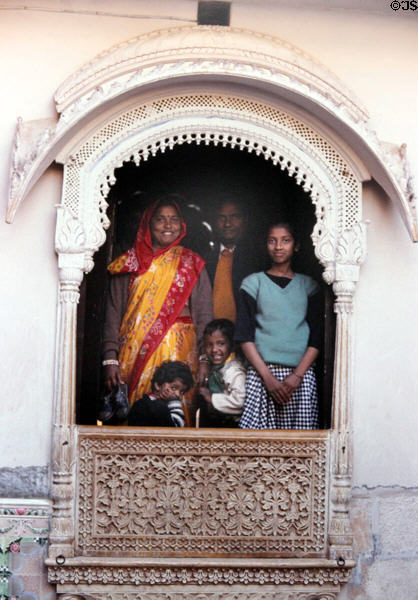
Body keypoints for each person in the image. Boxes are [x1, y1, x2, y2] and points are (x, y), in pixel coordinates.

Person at [102, 196, 213, 424]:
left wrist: (204, 359)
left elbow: (204, 316)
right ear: (148, 224)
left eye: (173, 219)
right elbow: (113, 313)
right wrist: (110, 359)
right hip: (134, 355)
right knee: (135, 414)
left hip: (181, 358)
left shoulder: (192, 263)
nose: (168, 225)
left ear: (182, 225)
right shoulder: (129, 264)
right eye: (161, 219)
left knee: (176, 417)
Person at [235, 221, 322, 429]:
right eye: (272, 241)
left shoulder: (308, 286)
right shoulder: (253, 283)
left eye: (285, 241)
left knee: (299, 448)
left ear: (296, 246)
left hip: (300, 376)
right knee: (257, 447)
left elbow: (317, 338)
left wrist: (297, 376)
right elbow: (244, 336)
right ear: (266, 245)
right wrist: (268, 378)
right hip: (262, 373)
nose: (278, 246)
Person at [204, 198, 263, 323]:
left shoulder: (258, 260)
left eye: (234, 217)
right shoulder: (204, 261)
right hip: (211, 338)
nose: (227, 224)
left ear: (245, 220)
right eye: (222, 218)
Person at [197, 319, 246, 428]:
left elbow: (240, 402)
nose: (214, 349)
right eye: (209, 345)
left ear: (232, 345)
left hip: (231, 425)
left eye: (221, 344)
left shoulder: (234, 371)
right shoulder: (216, 365)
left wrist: (212, 398)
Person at [127, 361, 194, 427]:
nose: (177, 394)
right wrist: (175, 402)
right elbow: (174, 429)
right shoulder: (145, 406)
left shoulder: (168, 406)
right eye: (173, 388)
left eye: (182, 392)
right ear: (158, 385)